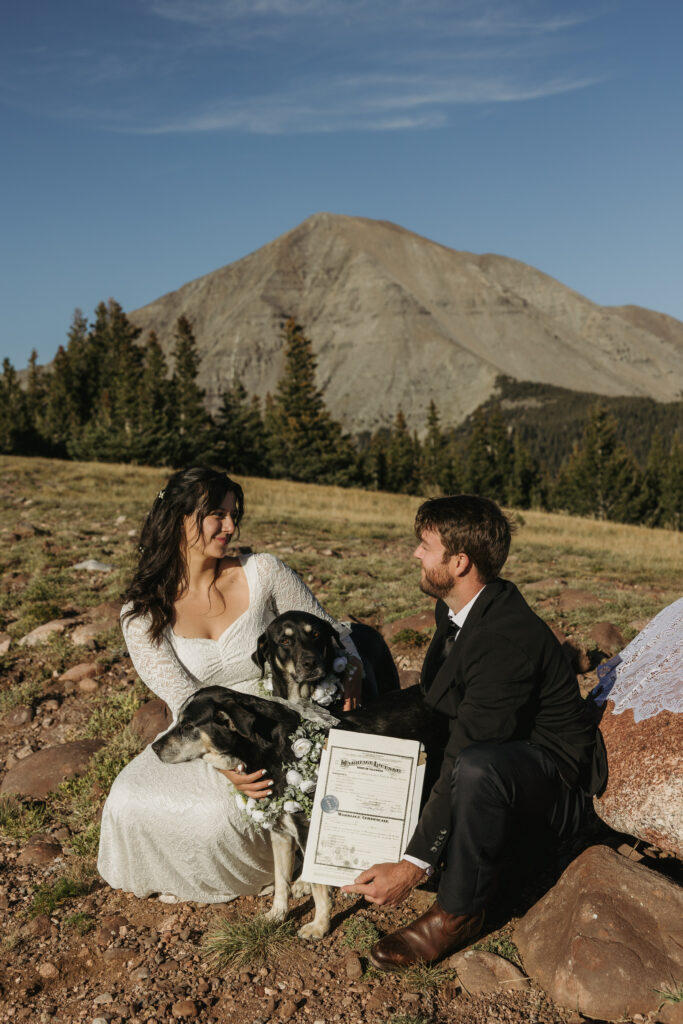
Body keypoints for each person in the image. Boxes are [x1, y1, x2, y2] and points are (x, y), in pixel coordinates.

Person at [342, 494, 607, 969]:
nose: (415, 555)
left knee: (476, 767)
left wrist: (411, 867)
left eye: (425, 546)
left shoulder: (503, 639)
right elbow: (441, 701)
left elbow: (471, 748)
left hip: (549, 782)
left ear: (459, 562)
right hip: (503, 744)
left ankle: (458, 912)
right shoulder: (460, 609)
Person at [97, 466, 363, 904]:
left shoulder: (263, 571)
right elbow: (183, 697)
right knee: (129, 798)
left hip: (280, 715)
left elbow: (330, 630)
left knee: (216, 818)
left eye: (233, 514)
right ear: (181, 519)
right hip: (207, 725)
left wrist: (351, 668)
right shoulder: (142, 613)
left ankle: (291, 859)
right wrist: (224, 764)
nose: (231, 526)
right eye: (216, 515)